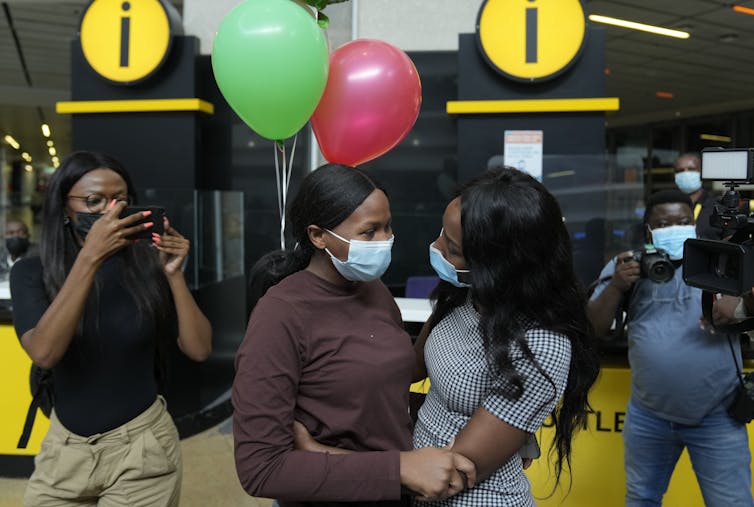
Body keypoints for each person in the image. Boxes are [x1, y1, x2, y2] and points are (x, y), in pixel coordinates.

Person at [232, 164, 476, 506]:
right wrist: (399, 469)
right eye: (369, 232)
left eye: (388, 226)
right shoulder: (280, 315)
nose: (385, 240)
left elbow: (386, 388)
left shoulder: (373, 290)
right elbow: (261, 468)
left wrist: (501, 428)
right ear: (318, 236)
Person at [10, 150, 213, 507]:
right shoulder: (31, 272)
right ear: (65, 207)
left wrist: (174, 275)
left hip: (143, 448)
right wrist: (90, 257)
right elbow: (45, 352)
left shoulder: (146, 265)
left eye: (120, 200)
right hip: (65, 450)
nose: (109, 210)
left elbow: (198, 348)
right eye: (93, 201)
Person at [408, 167, 599, 505]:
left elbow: (450, 476)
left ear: (495, 265)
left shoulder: (540, 344)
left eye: (451, 248)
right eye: (442, 233)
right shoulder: (464, 295)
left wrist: (323, 459)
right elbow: (413, 370)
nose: (435, 248)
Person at [587, 189, 753, 506]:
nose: (675, 227)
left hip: (718, 416)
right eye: (664, 223)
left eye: (682, 220)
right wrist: (618, 285)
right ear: (649, 230)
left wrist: (738, 307)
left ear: (694, 222)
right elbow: (593, 329)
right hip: (649, 417)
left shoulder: (723, 261)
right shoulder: (628, 266)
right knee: (641, 499)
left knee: (732, 503)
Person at [673, 152, 724, 240]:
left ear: (701, 172)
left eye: (691, 169)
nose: (686, 174)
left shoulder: (718, 208)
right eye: (680, 171)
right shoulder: (670, 207)